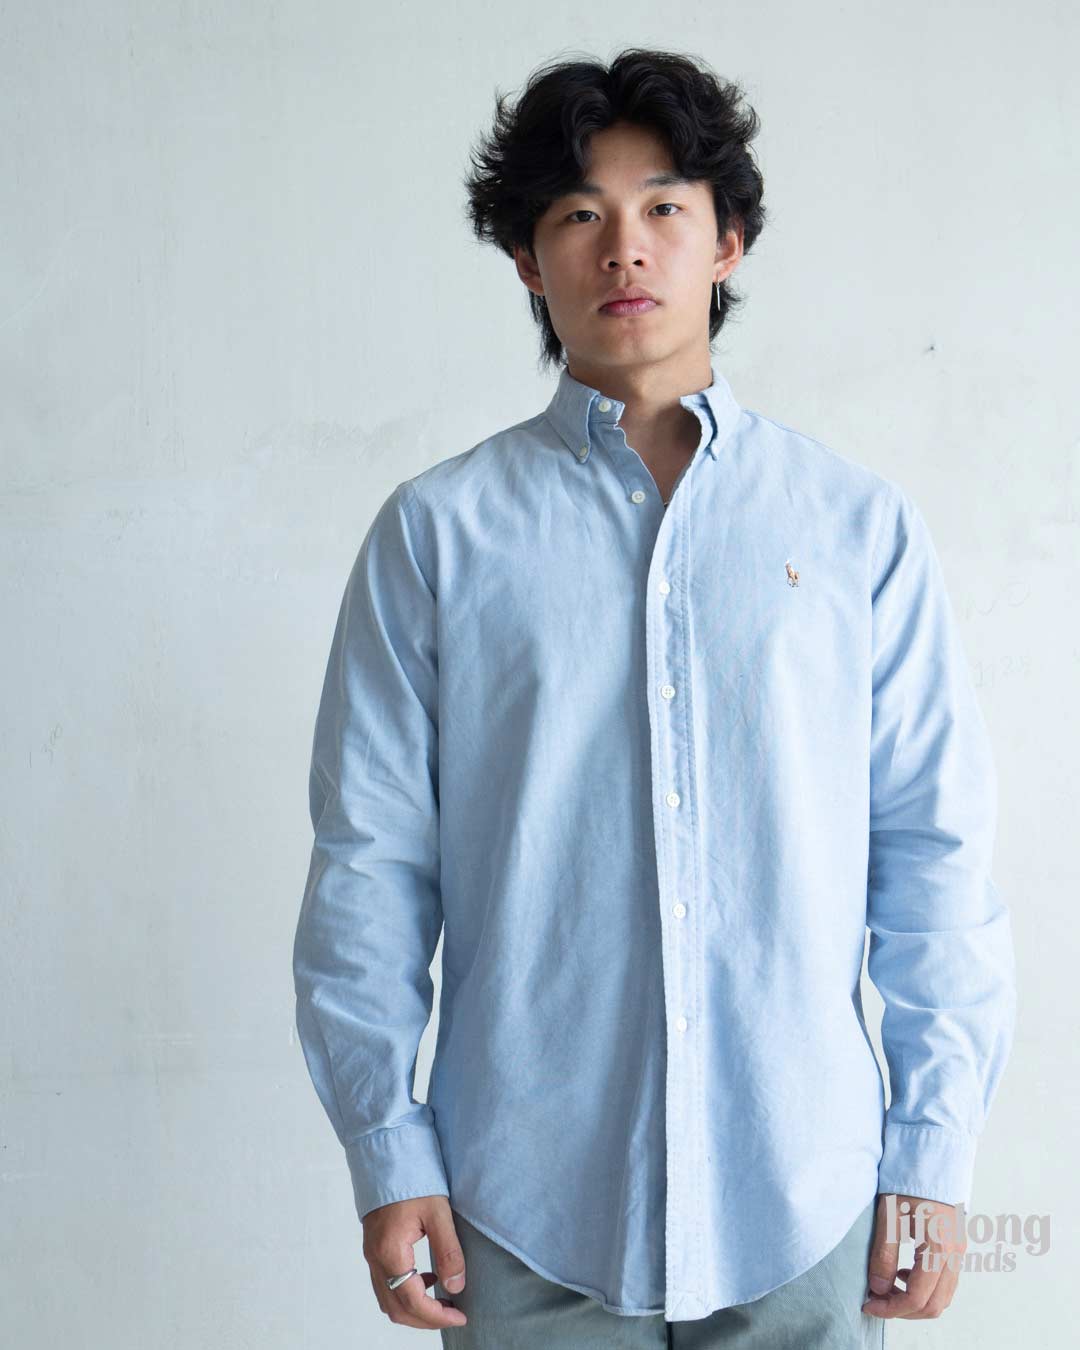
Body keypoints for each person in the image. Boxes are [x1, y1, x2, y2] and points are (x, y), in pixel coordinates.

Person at [291, 47, 1017, 1348]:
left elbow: (932, 853)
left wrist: (934, 1144)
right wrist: (386, 1148)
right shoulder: (437, 537)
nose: (623, 247)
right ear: (529, 260)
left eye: (664, 206)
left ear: (727, 240)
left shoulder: (856, 530)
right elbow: (371, 864)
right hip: (520, 1205)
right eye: (579, 213)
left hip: (806, 1195)